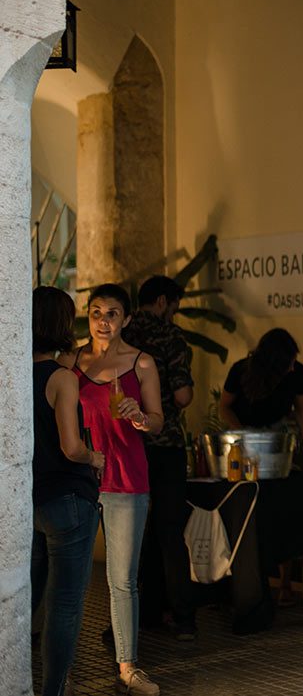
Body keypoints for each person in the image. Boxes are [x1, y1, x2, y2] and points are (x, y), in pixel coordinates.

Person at [72, 283, 164, 696]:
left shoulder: (142, 363)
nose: (103, 321)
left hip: (127, 479)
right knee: (70, 579)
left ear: (126, 319)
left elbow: (158, 421)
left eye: (112, 313)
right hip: (79, 480)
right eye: (96, 312)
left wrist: (141, 418)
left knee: (122, 580)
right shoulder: (71, 362)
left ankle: (128, 668)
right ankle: (62, 668)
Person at [31, 286, 105, 696]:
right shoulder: (62, 379)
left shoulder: (14, 373)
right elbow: (71, 447)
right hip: (69, 501)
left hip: (32, 500)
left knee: (27, 600)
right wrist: (95, 458)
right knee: (64, 605)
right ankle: (54, 689)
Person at [219, 327, 303, 606]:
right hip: (245, 443)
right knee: (250, 508)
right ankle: (247, 581)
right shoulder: (241, 371)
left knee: (285, 507)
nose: (292, 367)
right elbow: (224, 406)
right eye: (288, 362)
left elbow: (301, 412)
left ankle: (285, 582)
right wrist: (241, 434)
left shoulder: (297, 373)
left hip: (279, 443)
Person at [122, 274, 197, 641]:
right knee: (169, 531)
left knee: (133, 532)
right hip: (164, 443)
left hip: (127, 446)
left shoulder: (122, 334)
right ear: (164, 301)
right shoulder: (171, 337)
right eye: (175, 306)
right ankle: (183, 618)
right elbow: (182, 396)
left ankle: (138, 616)